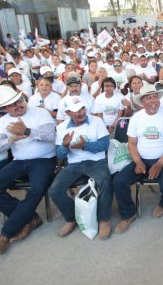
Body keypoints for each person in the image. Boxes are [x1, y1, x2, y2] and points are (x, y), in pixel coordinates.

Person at [113, 84, 163, 234]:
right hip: (141, 159)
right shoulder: (136, 118)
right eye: (149, 98)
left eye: (155, 97)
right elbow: (132, 143)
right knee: (119, 181)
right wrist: (138, 161)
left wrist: (160, 163)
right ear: (142, 102)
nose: (154, 100)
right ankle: (128, 214)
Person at [0, 85, 57, 254]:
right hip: (19, 161)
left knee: (37, 188)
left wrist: (27, 131)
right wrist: (11, 139)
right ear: (4, 109)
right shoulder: (3, 122)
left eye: (19, 100)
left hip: (44, 160)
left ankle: (5, 234)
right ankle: (29, 218)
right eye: (12, 105)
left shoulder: (40, 112)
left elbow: (51, 135)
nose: (18, 105)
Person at [49, 96, 113, 239]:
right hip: (74, 164)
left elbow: (104, 145)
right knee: (54, 190)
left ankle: (104, 219)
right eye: (76, 110)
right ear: (68, 113)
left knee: (106, 182)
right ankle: (71, 218)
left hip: (96, 162)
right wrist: (65, 146)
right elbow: (59, 155)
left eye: (82, 108)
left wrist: (85, 146)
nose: (81, 113)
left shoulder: (97, 121)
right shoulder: (61, 128)